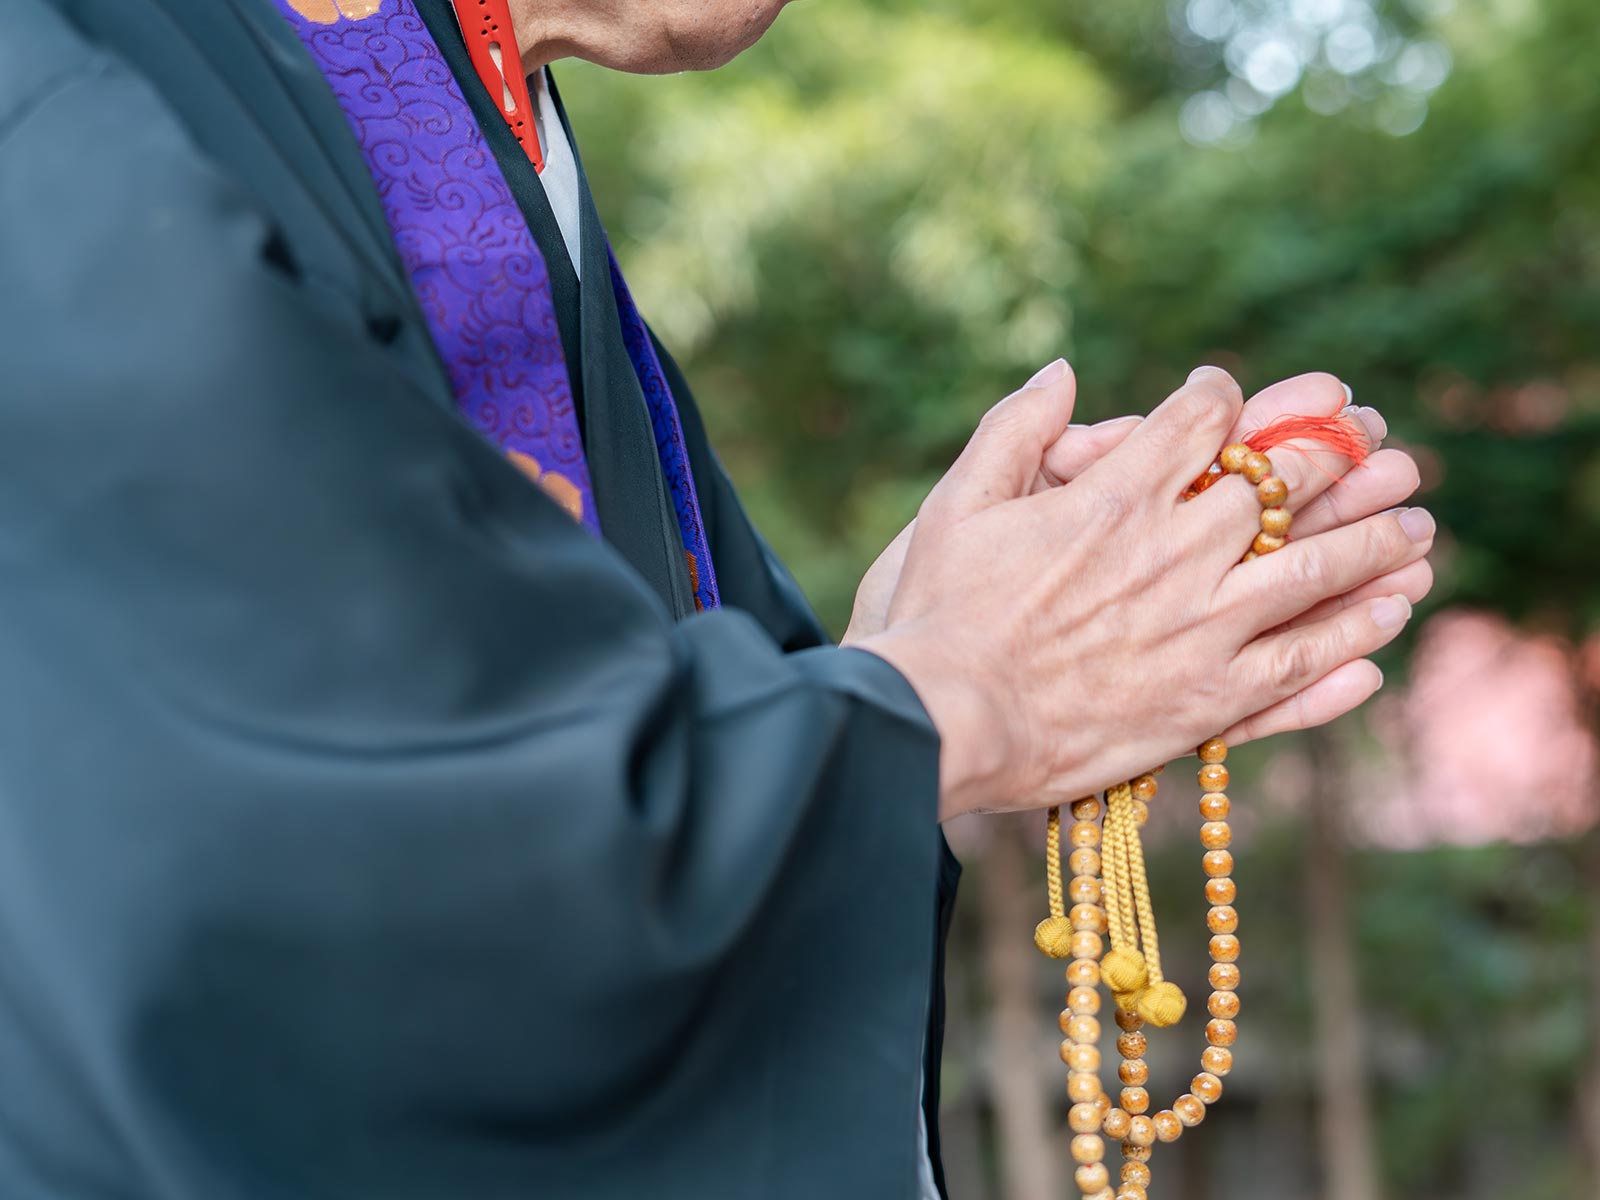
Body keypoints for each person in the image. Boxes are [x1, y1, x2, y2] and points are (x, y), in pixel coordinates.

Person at [0, 1, 1433, 1196]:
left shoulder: (492, 123)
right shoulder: (79, 70)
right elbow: (274, 825)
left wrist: (904, 668)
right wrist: (964, 695)